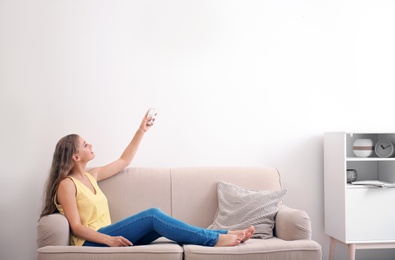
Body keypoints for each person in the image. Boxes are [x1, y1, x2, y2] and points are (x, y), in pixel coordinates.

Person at [40, 109, 255, 247]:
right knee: (153, 215)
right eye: (85, 145)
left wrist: (141, 130)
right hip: (92, 241)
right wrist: (109, 239)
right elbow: (76, 227)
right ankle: (216, 239)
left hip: (108, 235)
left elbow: (124, 160)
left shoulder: (92, 175)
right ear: (75, 156)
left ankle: (223, 233)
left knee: (155, 225)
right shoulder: (67, 185)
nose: (91, 145)